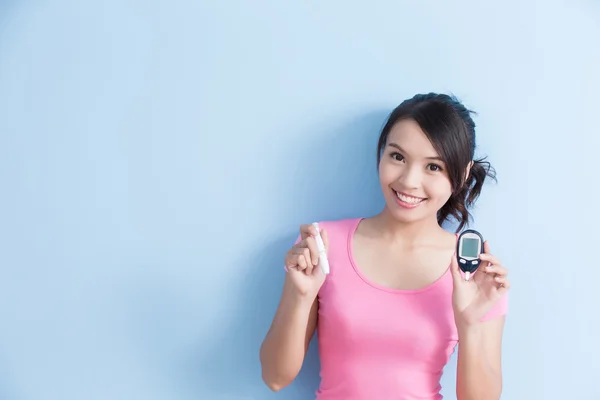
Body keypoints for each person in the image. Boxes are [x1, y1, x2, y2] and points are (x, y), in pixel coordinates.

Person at [259, 93, 510, 400]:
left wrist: (470, 322)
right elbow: (274, 377)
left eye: (433, 167)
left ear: (463, 173)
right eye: (397, 157)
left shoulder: (477, 275)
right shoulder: (323, 246)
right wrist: (301, 296)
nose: (408, 181)